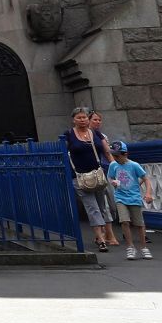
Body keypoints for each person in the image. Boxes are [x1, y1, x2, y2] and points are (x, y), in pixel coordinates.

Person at [64, 107, 115, 252]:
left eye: (84, 117)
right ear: (73, 119)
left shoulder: (96, 134)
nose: (82, 120)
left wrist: (115, 168)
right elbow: (63, 153)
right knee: (92, 207)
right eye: (79, 118)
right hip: (79, 177)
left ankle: (105, 234)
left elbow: (107, 152)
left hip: (97, 175)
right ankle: (100, 238)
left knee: (101, 206)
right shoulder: (68, 135)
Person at [107, 141, 154, 258]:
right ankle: (130, 247)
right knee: (124, 221)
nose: (115, 158)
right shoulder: (113, 165)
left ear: (125, 154)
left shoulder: (134, 165)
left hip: (134, 197)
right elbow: (110, 177)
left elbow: (146, 178)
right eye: (114, 155)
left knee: (139, 223)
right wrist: (113, 182)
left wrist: (148, 193)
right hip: (120, 196)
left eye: (117, 155)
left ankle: (144, 247)